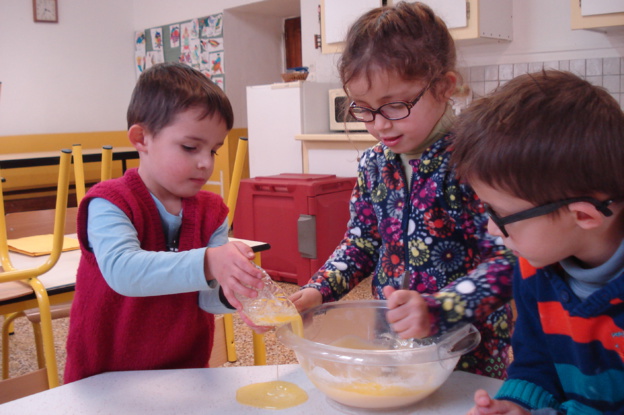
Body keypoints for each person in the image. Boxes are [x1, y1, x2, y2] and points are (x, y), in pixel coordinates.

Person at [290, 1, 515, 379]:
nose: (379, 125)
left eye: (394, 105)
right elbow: (361, 244)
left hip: (468, 346)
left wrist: (440, 308)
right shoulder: (374, 164)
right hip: (393, 338)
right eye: (362, 109)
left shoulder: (477, 161)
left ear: (444, 87)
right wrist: (319, 290)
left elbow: (509, 261)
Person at [64, 62, 264, 383]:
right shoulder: (109, 202)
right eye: (190, 147)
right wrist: (211, 261)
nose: (205, 162)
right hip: (106, 378)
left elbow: (206, 297)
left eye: (214, 150)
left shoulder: (212, 211)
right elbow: (123, 271)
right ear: (141, 138)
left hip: (184, 372)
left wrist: (234, 291)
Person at [451, 70, 624, 414]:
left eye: (500, 215)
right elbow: (535, 362)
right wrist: (518, 404)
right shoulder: (535, 268)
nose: (491, 229)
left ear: (583, 216)